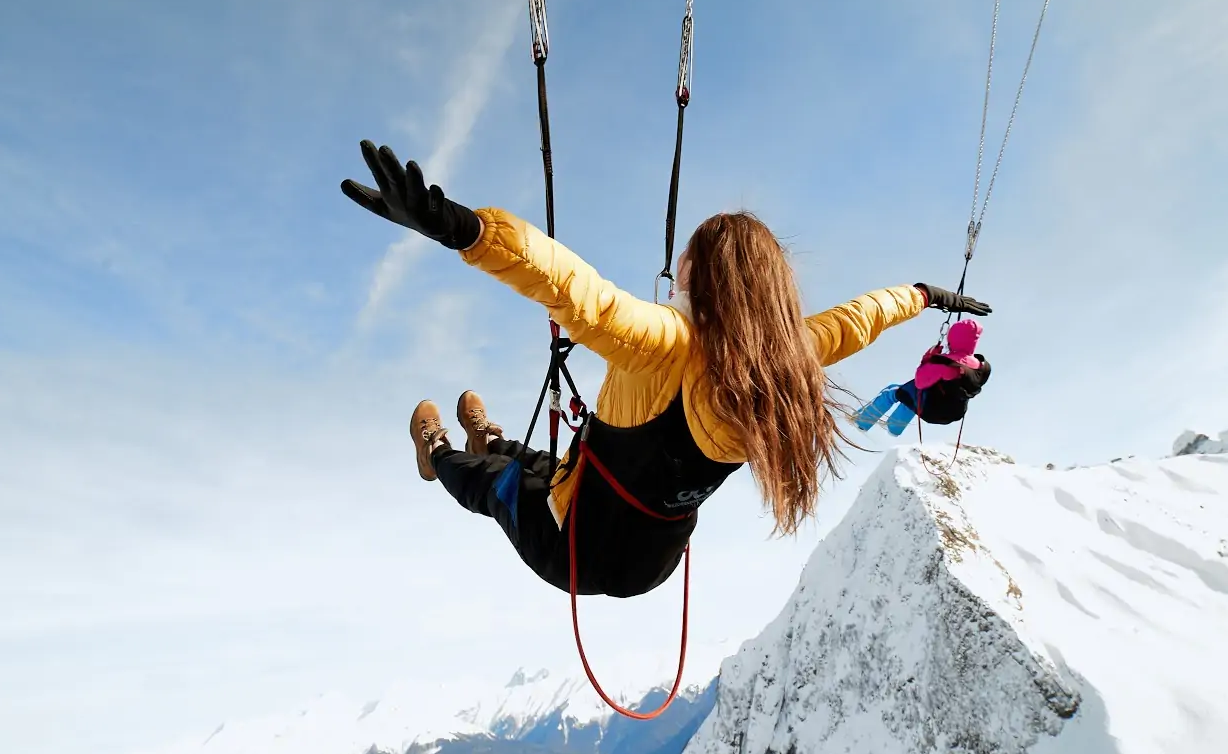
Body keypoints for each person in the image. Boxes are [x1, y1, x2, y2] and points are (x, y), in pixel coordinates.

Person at [341, 141, 990, 598]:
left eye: (686, 255)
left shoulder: (667, 342)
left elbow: (572, 287)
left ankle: (441, 454)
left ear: (699, 277)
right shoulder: (789, 356)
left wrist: (467, 229)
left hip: (573, 549)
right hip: (649, 561)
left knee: (494, 484)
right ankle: (494, 441)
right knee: (544, 469)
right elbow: (860, 318)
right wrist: (925, 294)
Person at [852, 317, 990, 435]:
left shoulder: (943, 363)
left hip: (932, 411)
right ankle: (893, 428)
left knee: (893, 391)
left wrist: (928, 358)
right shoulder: (983, 367)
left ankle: (862, 421)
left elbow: (920, 380)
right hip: (955, 412)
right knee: (910, 395)